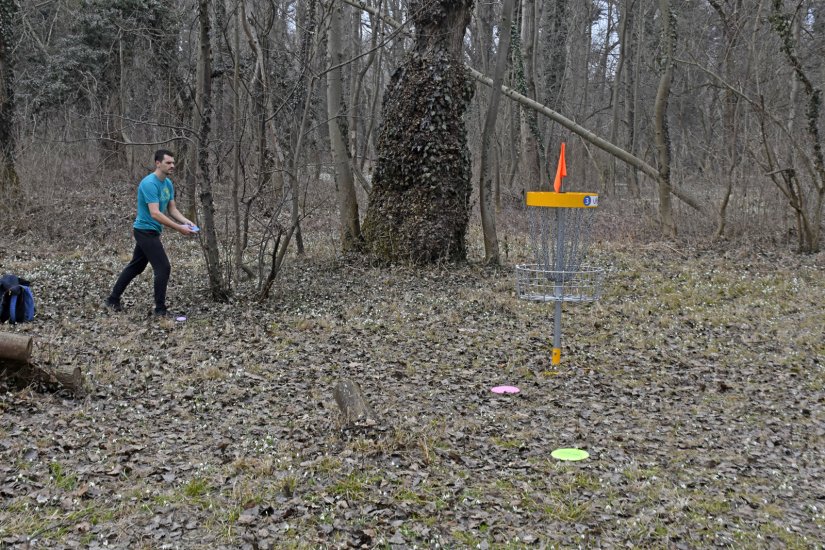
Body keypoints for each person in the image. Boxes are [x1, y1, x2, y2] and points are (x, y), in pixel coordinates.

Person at [105, 149, 197, 316]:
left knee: (136, 266)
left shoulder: (168, 184)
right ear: (158, 163)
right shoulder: (149, 183)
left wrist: (185, 221)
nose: (172, 166)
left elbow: (172, 209)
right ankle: (160, 310)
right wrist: (179, 228)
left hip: (153, 231)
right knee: (163, 267)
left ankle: (112, 299)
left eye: (173, 163)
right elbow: (155, 213)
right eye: (168, 163)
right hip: (144, 231)